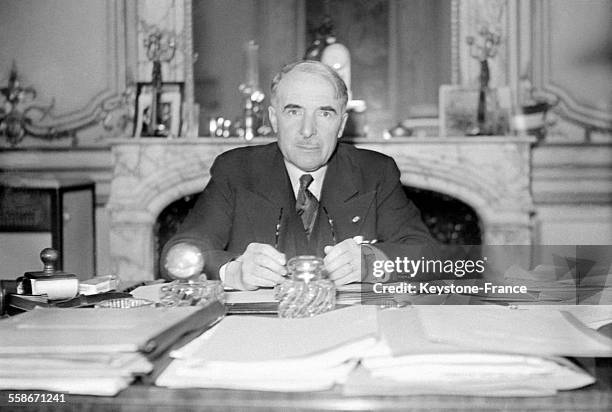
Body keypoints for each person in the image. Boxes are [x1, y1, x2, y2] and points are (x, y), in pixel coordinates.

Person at [161, 60, 436, 290]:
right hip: (261, 337)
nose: (308, 130)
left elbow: (428, 258)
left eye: (324, 114)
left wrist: (372, 262)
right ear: (273, 118)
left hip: (348, 328)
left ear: (341, 125)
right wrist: (233, 272)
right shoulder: (236, 170)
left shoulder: (375, 171)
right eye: (294, 111)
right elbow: (177, 255)